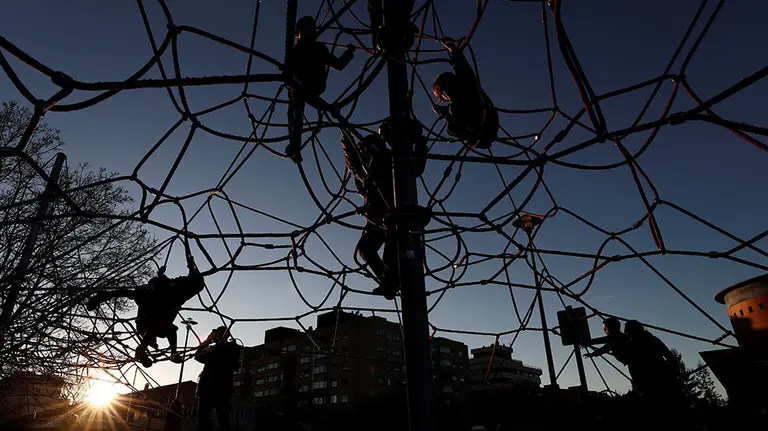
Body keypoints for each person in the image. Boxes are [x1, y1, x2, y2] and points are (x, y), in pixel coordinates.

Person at [342, 126, 427, 299]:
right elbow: (354, 161)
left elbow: (415, 167)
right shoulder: (367, 167)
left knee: (388, 251)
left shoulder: (387, 160)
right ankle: (388, 279)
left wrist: (419, 145)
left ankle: (390, 280)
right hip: (378, 217)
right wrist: (346, 136)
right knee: (366, 250)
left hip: (392, 215)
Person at [86, 261, 204, 368]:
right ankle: (148, 348)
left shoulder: (174, 291)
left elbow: (192, 283)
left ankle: (159, 350)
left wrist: (190, 266)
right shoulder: (168, 291)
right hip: (147, 324)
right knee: (162, 324)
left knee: (168, 327)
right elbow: (126, 292)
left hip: (155, 324)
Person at [286, 16, 355, 162]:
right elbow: (339, 65)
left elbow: (339, 64)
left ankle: (294, 146)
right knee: (295, 108)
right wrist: (349, 53)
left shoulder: (314, 49)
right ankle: (294, 146)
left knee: (295, 109)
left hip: (308, 87)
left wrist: (349, 53)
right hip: (306, 87)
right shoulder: (307, 49)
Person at [433, 38, 498, 150]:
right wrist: (453, 50)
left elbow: (457, 122)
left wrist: (445, 115)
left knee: (451, 129)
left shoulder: (455, 106)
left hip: (481, 135)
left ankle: (477, 139)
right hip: (492, 123)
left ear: (444, 93)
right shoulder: (468, 83)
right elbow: (463, 67)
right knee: (453, 125)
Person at [194, 326, 241, 431]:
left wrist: (209, 341)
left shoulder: (230, 348)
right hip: (216, 389)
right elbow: (198, 356)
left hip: (216, 389)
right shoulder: (223, 348)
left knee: (220, 420)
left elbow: (199, 356)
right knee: (210, 419)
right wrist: (209, 341)